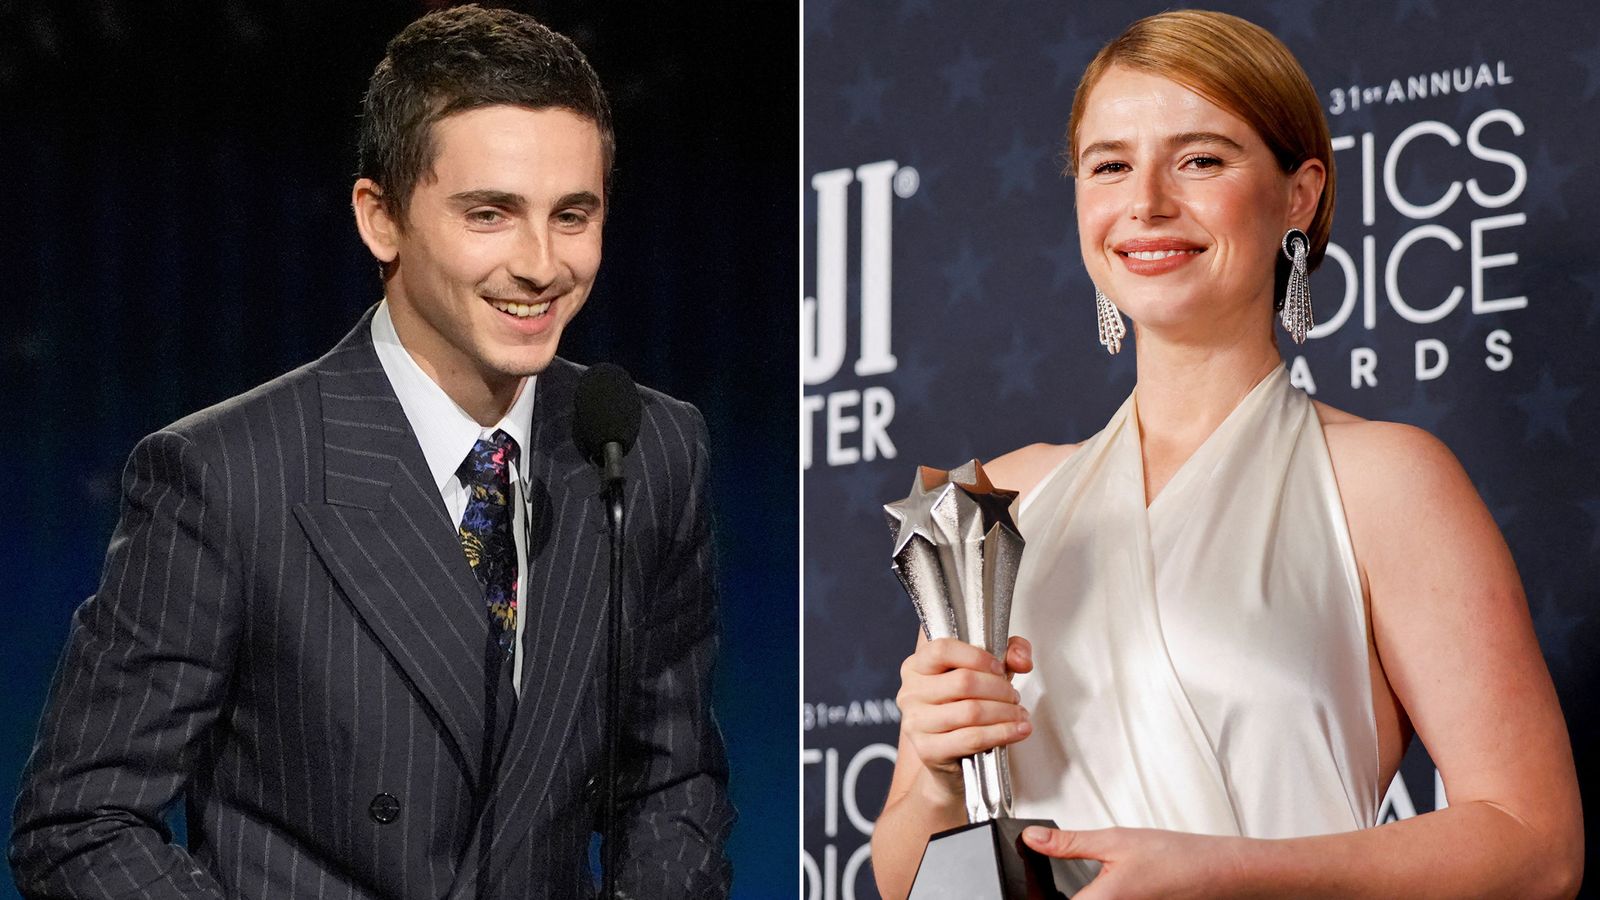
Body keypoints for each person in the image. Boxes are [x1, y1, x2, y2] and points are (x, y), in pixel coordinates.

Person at [9, 6, 732, 898]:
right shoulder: (228, 475)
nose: (542, 263)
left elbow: (670, 779)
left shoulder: (645, 447)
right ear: (380, 218)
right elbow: (80, 823)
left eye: (572, 215)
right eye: (491, 214)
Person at [871, 10, 1582, 899]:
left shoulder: (1387, 482)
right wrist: (938, 776)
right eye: (1110, 165)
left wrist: (1232, 874)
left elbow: (1537, 846)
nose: (1147, 203)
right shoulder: (996, 503)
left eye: (1201, 159)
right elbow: (906, 877)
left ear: (1300, 194)